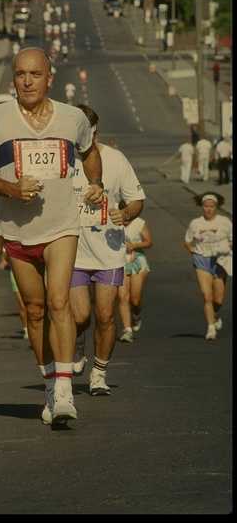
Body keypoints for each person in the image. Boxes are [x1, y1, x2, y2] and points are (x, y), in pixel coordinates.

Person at [0, 47, 103, 425]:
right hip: (17, 229)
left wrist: (95, 183)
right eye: (19, 74)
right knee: (34, 309)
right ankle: (49, 383)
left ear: (50, 78)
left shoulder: (72, 118)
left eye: (34, 74)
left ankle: (64, 392)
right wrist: (11, 189)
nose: (27, 81)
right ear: (13, 79)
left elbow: (90, 151)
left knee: (59, 300)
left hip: (62, 224)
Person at [70, 104, 145, 394]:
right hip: (73, 251)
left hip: (109, 252)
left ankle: (99, 374)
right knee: (80, 316)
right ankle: (78, 342)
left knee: (104, 316)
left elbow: (137, 200)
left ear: (93, 131)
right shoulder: (62, 160)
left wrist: (125, 215)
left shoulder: (115, 159)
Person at [184, 192, 232, 341]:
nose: (209, 209)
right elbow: (187, 241)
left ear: (216, 207)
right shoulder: (196, 223)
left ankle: (215, 315)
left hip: (220, 260)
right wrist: (192, 250)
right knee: (207, 295)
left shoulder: (225, 222)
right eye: (206, 206)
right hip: (202, 259)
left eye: (212, 206)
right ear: (202, 207)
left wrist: (226, 247)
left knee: (218, 299)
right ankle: (211, 328)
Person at [117, 200, 152, 343]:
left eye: (128, 213)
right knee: (123, 297)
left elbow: (149, 241)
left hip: (137, 260)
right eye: (123, 213)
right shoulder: (113, 223)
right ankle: (127, 330)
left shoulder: (139, 223)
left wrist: (135, 245)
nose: (125, 217)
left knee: (135, 299)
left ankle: (136, 314)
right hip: (120, 262)